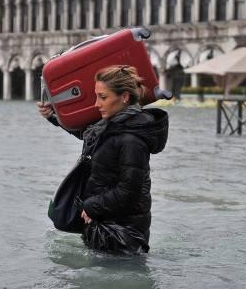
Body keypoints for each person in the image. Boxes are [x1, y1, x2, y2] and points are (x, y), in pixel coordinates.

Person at [38, 65, 169, 254]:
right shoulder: (111, 126)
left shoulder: (132, 139)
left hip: (123, 236)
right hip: (106, 227)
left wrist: (91, 206)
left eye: (103, 97)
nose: (96, 104)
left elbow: (129, 192)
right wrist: (54, 116)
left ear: (124, 97)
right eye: (97, 96)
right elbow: (88, 135)